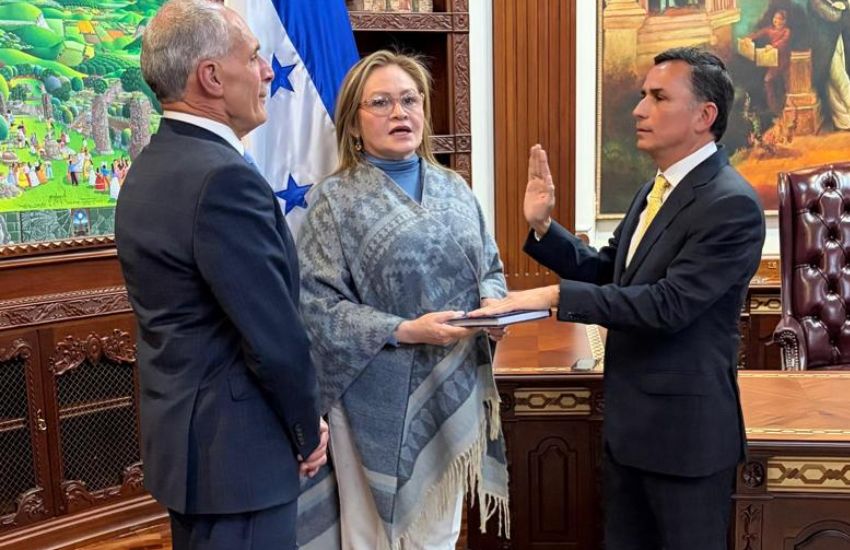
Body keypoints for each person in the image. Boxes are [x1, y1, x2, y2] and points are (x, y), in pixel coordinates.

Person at [471, 47, 765, 549]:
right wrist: (544, 228)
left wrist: (553, 296)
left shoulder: (730, 203)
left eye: (658, 97)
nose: (639, 109)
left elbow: (667, 306)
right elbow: (613, 273)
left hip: (685, 443)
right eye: (643, 95)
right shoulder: (655, 189)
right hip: (630, 433)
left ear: (704, 115)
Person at [114, 1, 327, 548]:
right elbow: (273, 337)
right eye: (253, 57)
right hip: (239, 461)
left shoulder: (150, 166)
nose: (267, 72)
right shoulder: (224, 179)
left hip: (192, 455)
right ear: (211, 77)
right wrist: (307, 431)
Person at [297, 50, 510, 549]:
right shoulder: (333, 201)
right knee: (372, 534)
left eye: (410, 100)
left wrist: (493, 306)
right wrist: (406, 330)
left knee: (438, 529)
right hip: (370, 395)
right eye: (382, 102)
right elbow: (317, 307)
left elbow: (490, 269)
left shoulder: (454, 187)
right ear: (354, 123)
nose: (400, 113)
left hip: (452, 379)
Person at [748, 9, 791, 114]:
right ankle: (774, 108)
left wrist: (772, 46)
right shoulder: (770, 30)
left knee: (786, 84)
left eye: (780, 19)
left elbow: (783, 42)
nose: (777, 21)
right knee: (768, 81)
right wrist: (748, 38)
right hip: (773, 61)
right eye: (775, 18)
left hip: (784, 61)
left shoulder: (786, 31)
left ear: (784, 21)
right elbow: (758, 34)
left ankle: (786, 107)